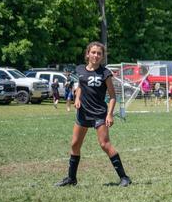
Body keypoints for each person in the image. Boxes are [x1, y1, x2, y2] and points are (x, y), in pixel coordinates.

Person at [55, 41, 131, 187]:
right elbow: (80, 87)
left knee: (104, 144)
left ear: (102, 57)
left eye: (99, 53)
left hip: (99, 114)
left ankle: (124, 177)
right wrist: (77, 98)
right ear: (88, 54)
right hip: (83, 113)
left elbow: (113, 96)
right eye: (93, 52)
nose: (96, 55)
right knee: (75, 144)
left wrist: (109, 114)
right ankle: (71, 178)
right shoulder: (80, 70)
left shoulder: (105, 73)